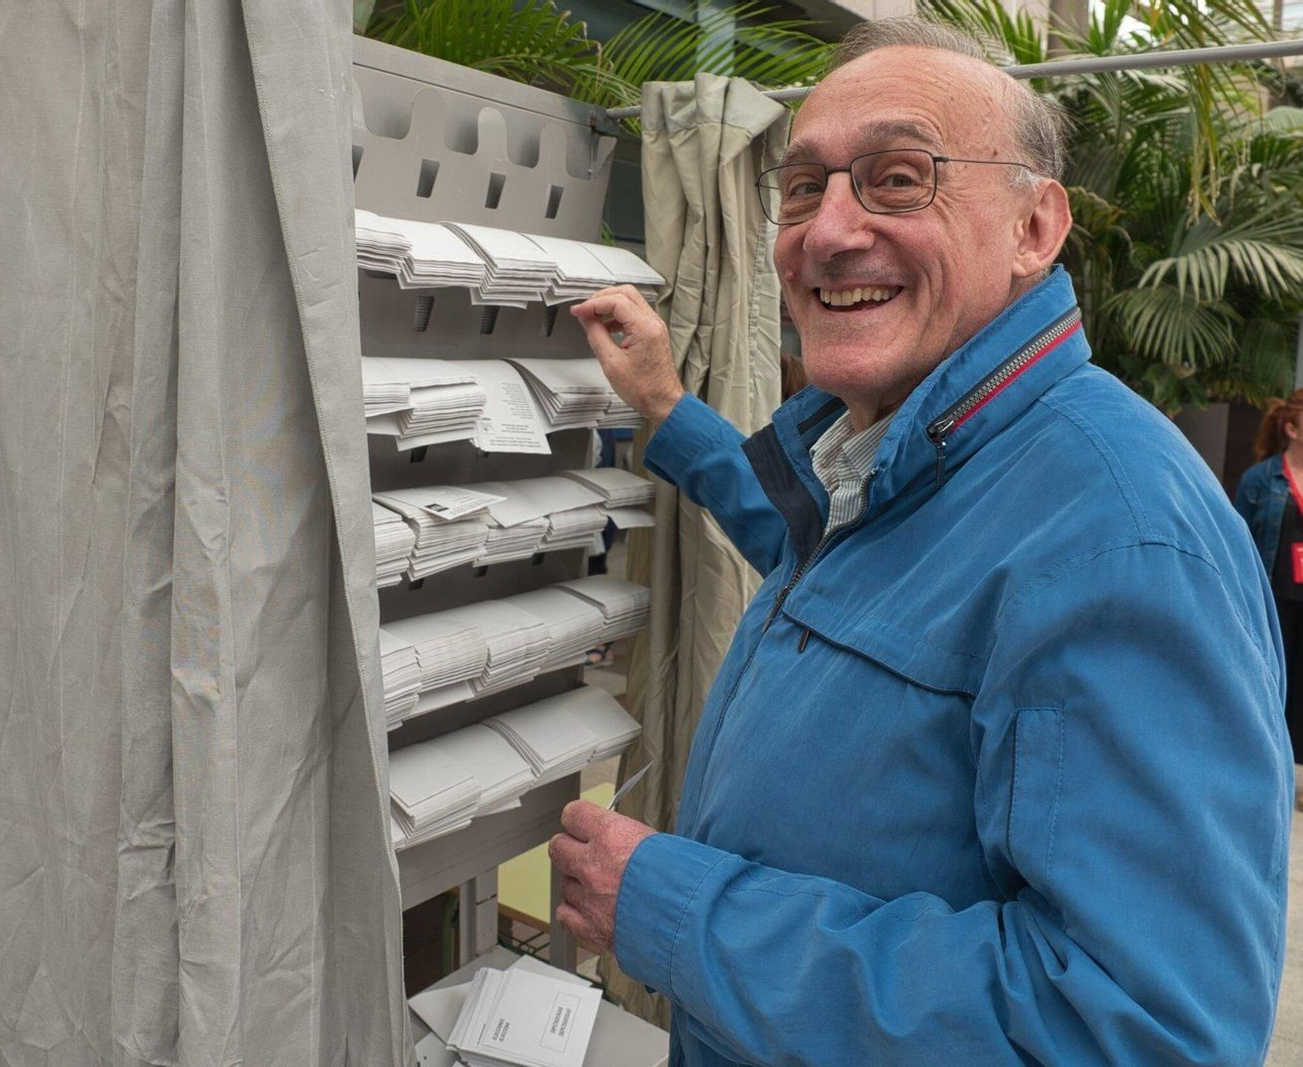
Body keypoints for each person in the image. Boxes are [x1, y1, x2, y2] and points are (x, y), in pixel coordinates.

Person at [550, 19, 1290, 1066]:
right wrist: (669, 411)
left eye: (898, 178)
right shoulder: (910, 459)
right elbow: (836, 570)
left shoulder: (1115, 538)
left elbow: (1133, 1033)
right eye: (802, 187)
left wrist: (677, 908)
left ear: (1035, 229)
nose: (827, 230)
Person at [1237, 389, 1303, 801]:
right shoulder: (1260, 480)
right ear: (1292, 428)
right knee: (1269, 687)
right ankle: (1268, 777)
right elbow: (1238, 544)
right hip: (1275, 603)